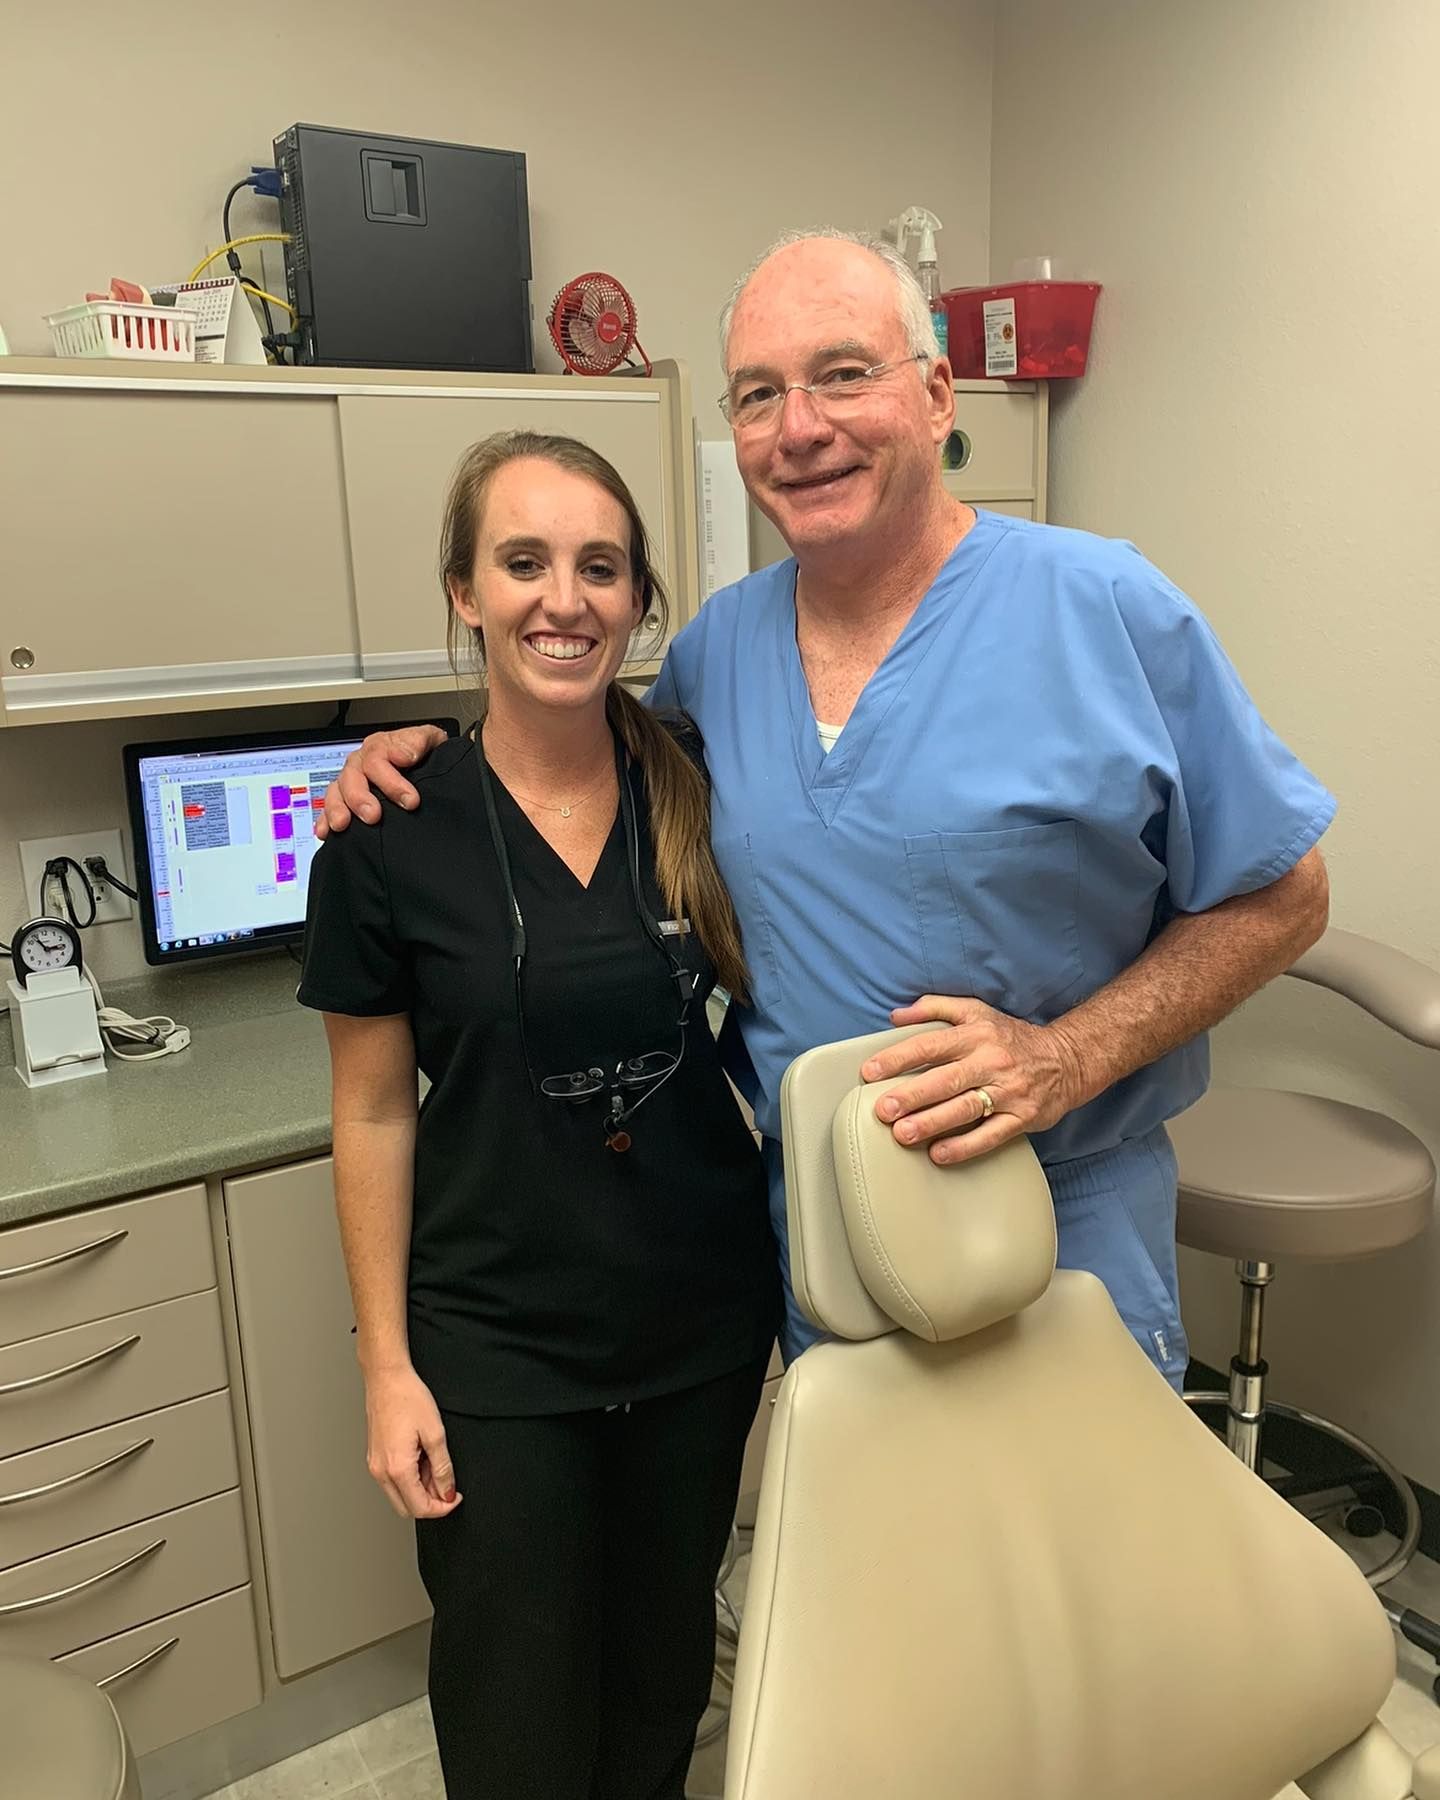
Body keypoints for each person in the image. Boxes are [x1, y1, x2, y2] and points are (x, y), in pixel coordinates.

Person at [318, 229, 1332, 1395]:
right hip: (827, 1242)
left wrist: (1064, 1056)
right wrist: (413, 762)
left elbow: (1287, 894)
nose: (800, 427)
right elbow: (565, 757)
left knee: (1070, 1576)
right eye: (759, 395)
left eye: (846, 374)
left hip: (1060, 1234)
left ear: (939, 391)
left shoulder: (1103, 607)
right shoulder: (716, 656)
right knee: (878, 1571)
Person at [298, 429, 778, 1800]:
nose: (562, 599)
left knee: (657, 1688)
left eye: (600, 567)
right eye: (523, 562)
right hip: (495, 1342)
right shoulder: (389, 826)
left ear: (638, 602)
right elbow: (374, 1109)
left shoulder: (702, 777)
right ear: (464, 588)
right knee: (516, 1711)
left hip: (697, 1326)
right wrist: (387, 1368)